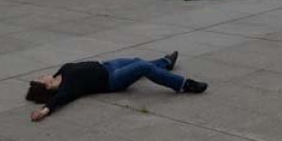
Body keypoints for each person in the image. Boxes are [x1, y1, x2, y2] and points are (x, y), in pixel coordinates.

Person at [26, 51, 207, 122]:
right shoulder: (67, 88)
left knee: (139, 61)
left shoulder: (60, 72)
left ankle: (165, 63)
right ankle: (184, 84)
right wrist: (43, 111)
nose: (42, 76)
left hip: (108, 64)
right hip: (112, 79)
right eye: (41, 79)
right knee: (142, 67)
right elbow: (59, 100)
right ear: (47, 86)